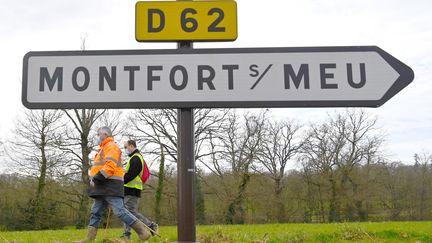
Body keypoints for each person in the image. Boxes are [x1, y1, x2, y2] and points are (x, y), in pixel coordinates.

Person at [76, 127, 150, 242]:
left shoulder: (111, 146)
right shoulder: (103, 148)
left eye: (98, 134)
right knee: (95, 212)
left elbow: (109, 167)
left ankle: (142, 232)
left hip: (111, 186)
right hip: (102, 186)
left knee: (120, 211)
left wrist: (96, 179)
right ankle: (90, 238)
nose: (96, 136)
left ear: (105, 134)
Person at [122, 140, 158, 240]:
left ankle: (150, 225)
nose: (125, 149)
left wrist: (121, 181)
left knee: (128, 211)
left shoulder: (136, 158)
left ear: (131, 146)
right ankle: (127, 235)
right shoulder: (134, 158)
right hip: (130, 188)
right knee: (127, 211)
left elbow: (131, 174)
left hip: (132, 189)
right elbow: (130, 173)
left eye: (126, 147)